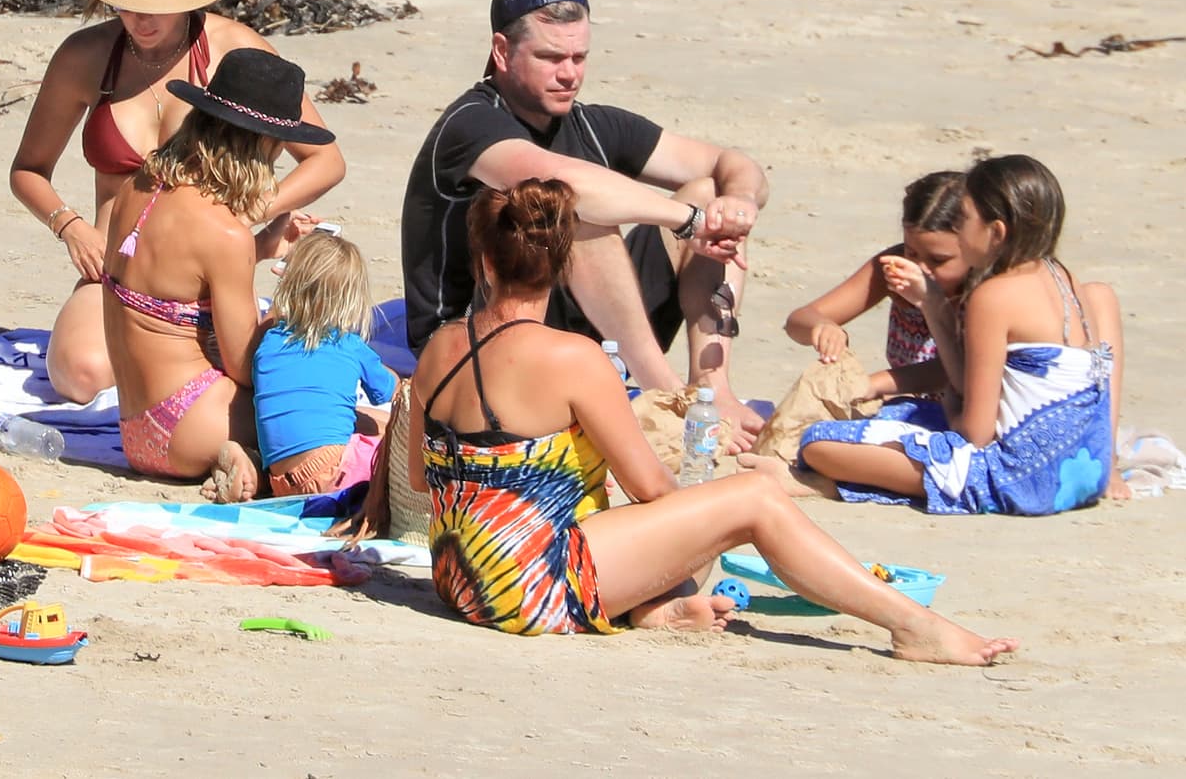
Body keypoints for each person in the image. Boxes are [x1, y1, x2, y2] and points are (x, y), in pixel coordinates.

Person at [407, 177, 1018, 664]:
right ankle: (914, 626)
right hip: (533, 586)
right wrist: (694, 519)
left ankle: (652, 609)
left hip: (461, 579)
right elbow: (651, 489)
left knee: (687, 514)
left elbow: (418, 477)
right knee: (750, 499)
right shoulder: (573, 357)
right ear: (564, 262)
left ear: (484, 262)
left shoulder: (440, 346)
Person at [400, 0, 769, 452]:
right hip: (476, 343)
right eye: (550, 57)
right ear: (502, 51)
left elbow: (732, 164)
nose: (569, 74)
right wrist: (689, 222)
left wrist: (735, 204)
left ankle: (711, 390)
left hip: (584, 334)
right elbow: (564, 182)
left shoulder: (593, 124)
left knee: (707, 191)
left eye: (579, 58)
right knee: (572, 210)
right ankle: (667, 397)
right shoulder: (471, 125)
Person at [10, 0, 345, 405]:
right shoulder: (85, 57)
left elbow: (326, 158)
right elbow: (28, 169)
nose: (141, 20)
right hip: (116, 269)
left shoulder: (236, 52)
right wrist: (69, 225)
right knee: (81, 374)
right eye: (126, 2)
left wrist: (252, 213)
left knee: (246, 381)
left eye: (158, 6)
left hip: (205, 271)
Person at [792, 154, 1130, 511]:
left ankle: (843, 483)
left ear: (995, 232)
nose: (959, 228)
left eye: (963, 220)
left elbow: (975, 435)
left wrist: (951, 408)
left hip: (1021, 482)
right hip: (1084, 474)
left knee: (818, 443)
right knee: (893, 419)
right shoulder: (1062, 276)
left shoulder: (991, 296)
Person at [102, 47, 335, 494]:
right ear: (263, 145)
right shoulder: (225, 234)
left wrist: (261, 248)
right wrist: (291, 307)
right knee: (333, 413)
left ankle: (238, 459)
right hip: (196, 421)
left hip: (135, 431)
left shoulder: (138, 186)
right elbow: (246, 366)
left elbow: (176, 277)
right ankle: (236, 454)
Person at [220, 231, 398, 502]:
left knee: (357, 416)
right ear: (351, 300)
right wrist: (397, 379)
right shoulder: (348, 344)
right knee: (390, 432)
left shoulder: (268, 341)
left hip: (281, 481)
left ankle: (252, 468)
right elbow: (387, 392)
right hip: (331, 472)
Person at [784, 171, 967, 381]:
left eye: (938, 260)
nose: (920, 268)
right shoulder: (894, 267)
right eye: (912, 253)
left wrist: (877, 384)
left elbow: (963, 372)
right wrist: (822, 326)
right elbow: (797, 321)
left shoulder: (985, 292)